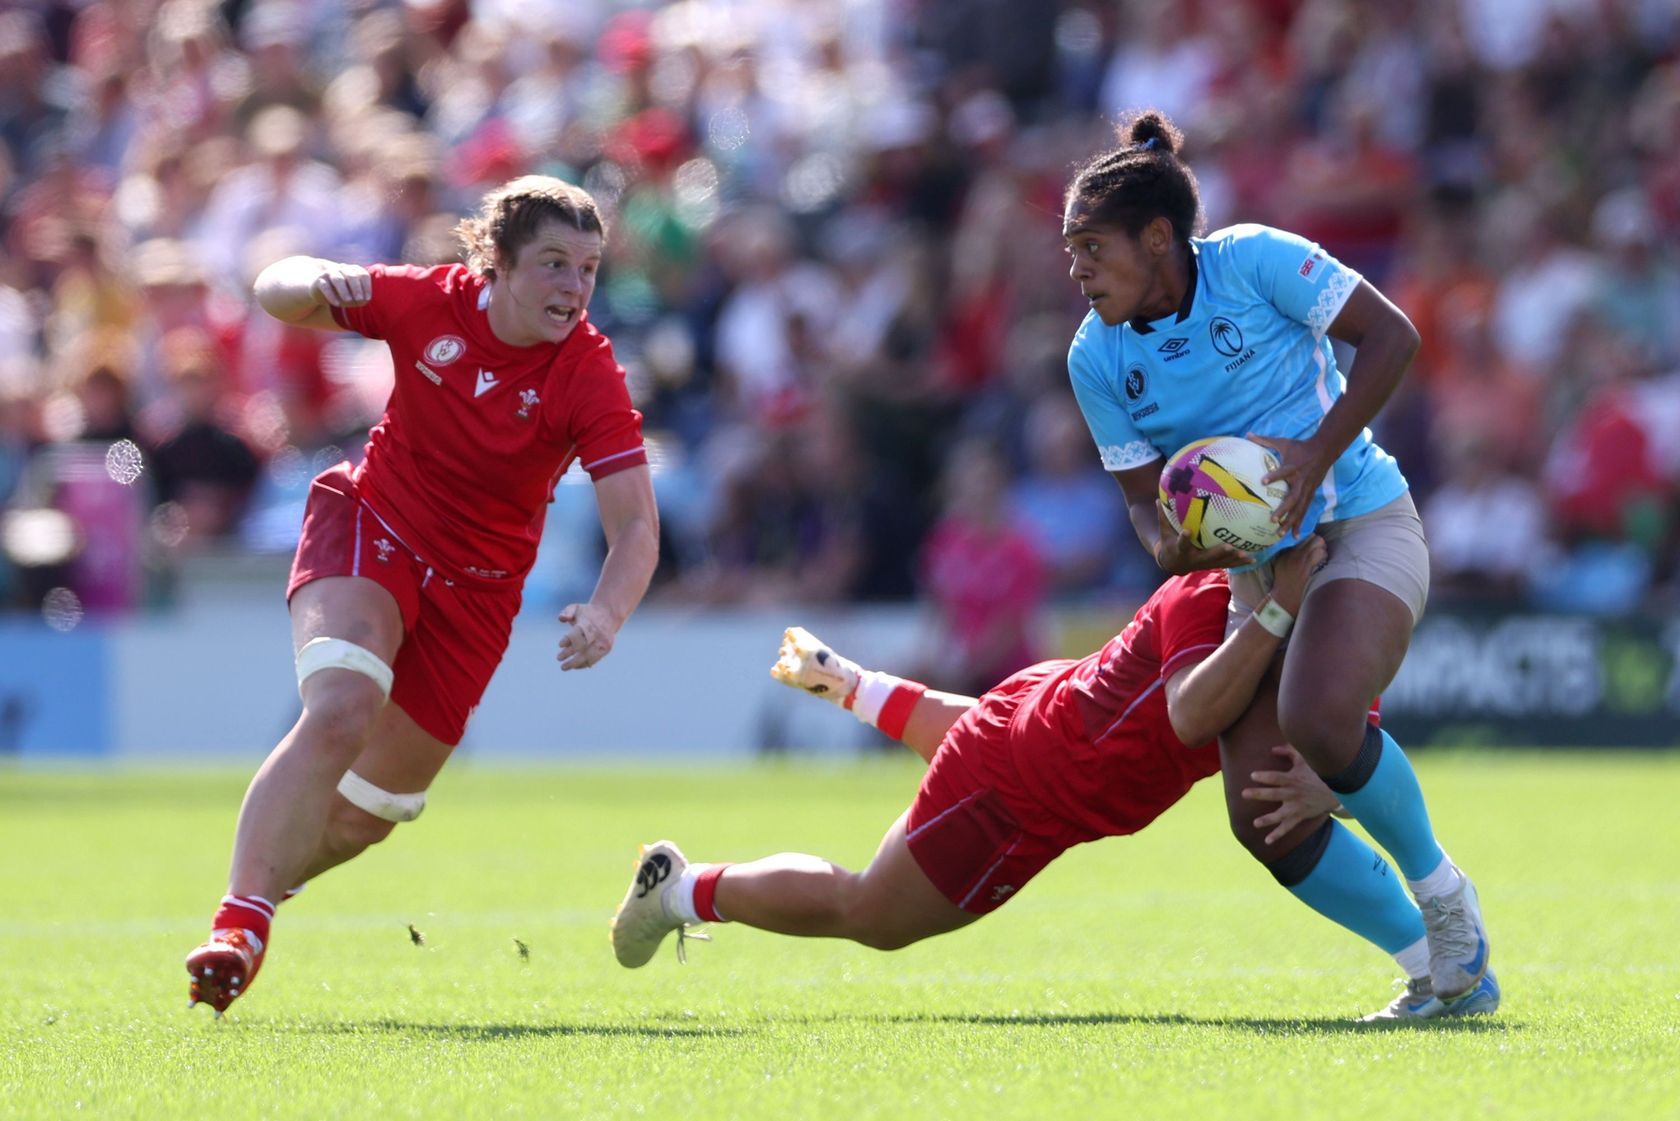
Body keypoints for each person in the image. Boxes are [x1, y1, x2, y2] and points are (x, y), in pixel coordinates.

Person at [612, 542, 1499, 1022]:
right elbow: (1197, 714)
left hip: (1030, 720)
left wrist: (1333, 782)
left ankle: (849, 683)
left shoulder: (1313, 604)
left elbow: (1349, 745)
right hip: (1022, 793)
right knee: (869, 915)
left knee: (998, 749)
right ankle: (683, 887)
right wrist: (1273, 610)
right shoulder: (1220, 598)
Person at [185, 175, 660, 1015]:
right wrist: (308, 279)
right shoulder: (423, 300)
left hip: (477, 595)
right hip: (374, 523)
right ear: (497, 262)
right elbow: (275, 291)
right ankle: (240, 925)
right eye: (553, 263)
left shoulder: (587, 370)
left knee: (366, 815)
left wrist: (607, 611)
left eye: (586, 268)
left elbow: (635, 528)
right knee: (341, 707)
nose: (573, 287)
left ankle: (263, 885)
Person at [1059, 110, 1490, 1006]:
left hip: (1362, 522)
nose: (1077, 269)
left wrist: (1314, 455)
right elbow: (1145, 506)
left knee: (1321, 719)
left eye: (1092, 247)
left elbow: (1393, 337)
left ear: (1157, 237)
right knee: (1264, 812)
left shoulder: (1254, 261)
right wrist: (1175, 546)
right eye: (1071, 250)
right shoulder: (1094, 357)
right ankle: (1441, 979)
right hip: (1256, 569)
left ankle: (1445, 894)